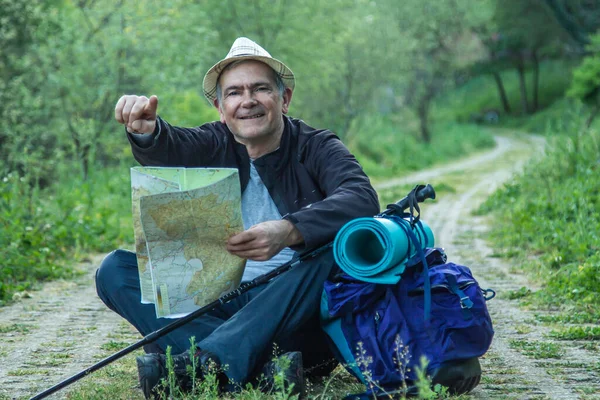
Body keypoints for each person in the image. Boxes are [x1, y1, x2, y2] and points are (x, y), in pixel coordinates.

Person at [96, 37, 379, 399]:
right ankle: (255, 368)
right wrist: (146, 131)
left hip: (291, 316)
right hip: (218, 302)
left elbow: (362, 199)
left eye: (260, 89)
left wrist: (289, 230)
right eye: (234, 93)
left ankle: (202, 362)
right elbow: (171, 146)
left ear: (284, 99)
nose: (247, 101)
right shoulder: (214, 141)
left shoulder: (317, 145)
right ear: (220, 106)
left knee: (327, 254)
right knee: (113, 270)